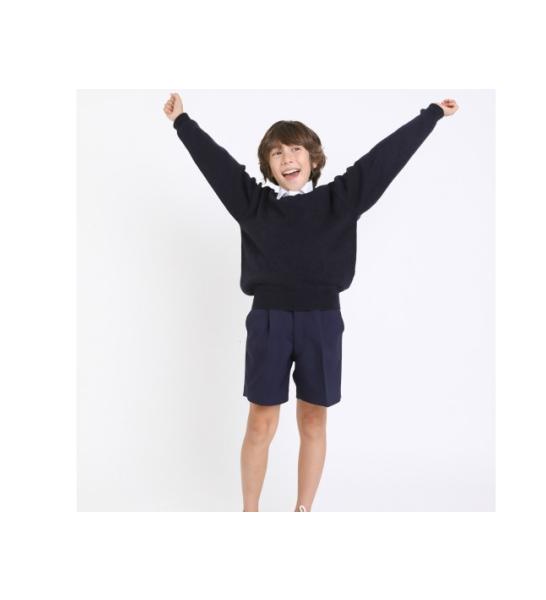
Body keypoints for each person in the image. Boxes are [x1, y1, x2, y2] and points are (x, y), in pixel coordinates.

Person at [163, 92, 459, 512]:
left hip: (321, 321)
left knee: (314, 419)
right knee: (261, 422)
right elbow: (217, 164)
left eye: (296, 149)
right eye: (277, 153)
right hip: (269, 321)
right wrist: (183, 121)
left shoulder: (340, 200)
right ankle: (249, 513)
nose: (288, 158)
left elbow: (384, 159)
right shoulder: (253, 204)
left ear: (313, 158)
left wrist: (431, 116)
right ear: (268, 165)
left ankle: (303, 512)